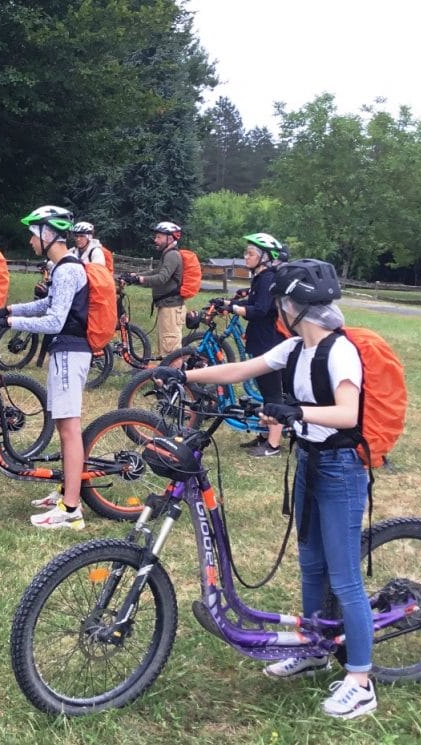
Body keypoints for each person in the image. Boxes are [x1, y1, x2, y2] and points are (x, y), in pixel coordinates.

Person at [154, 259, 376, 720]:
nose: (280, 309)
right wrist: (184, 375)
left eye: (283, 303)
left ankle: (360, 679)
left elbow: (348, 415)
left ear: (295, 308)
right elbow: (241, 369)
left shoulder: (340, 352)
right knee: (311, 564)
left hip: (340, 467)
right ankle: (316, 648)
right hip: (310, 462)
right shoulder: (294, 348)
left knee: (344, 576)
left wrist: (298, 414)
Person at [0, 206, 89, 530]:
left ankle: (71, 508)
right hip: (66, 352)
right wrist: (10, 309)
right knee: (63, 426)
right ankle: (65, 493)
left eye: (33, 233)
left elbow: (55, 319)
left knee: (70, 430)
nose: (30, 240)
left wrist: (11, 322)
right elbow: (47, 305)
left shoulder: (68, 270)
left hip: (70, 352)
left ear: (48, 234)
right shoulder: (62, 268)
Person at [225, 232, 290, 457]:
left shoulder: (269, 279)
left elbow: (260, 310)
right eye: (246, 252)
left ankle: (273, 445)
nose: (246, 257)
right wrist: (229, 303)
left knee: (273, 394)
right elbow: (252, 303)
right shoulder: (261, 278)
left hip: (269, 343)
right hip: (261, 341)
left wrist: (234, 308)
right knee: (264, 391)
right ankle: (264, 434)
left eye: (250, 253)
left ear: (265, 257)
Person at [127, 221, 187, 356]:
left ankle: (174, 375)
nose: (155, 240)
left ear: (170, 238)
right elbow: (156, 272)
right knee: (166, 346)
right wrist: (135, 276)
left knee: (170, 349)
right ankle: (167, 374)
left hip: (171, 308)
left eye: (159, 237)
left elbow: (161, 278)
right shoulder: (167, 254)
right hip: (167, 307)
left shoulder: (172, 255)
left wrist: (140, 279)